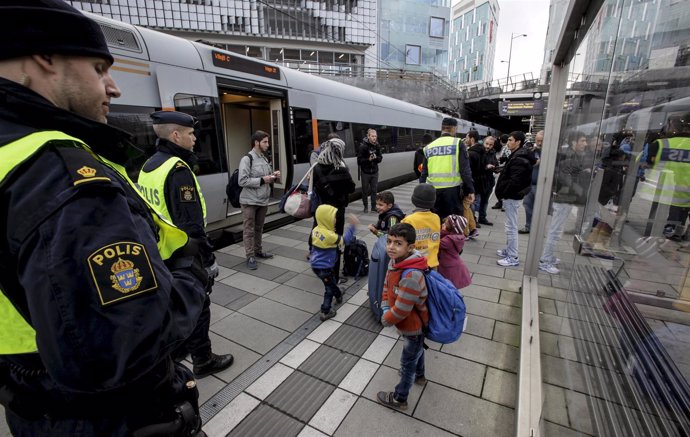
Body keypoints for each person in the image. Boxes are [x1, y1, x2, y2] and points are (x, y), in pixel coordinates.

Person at [0, 1, 207, 435]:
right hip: (112, 418)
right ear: (45, 56)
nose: (113, 88)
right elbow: (124, 347)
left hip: (32, 401)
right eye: (99, 69)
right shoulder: (63, 175)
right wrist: (190, 275)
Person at [138, 110, 234, 377]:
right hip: (184, 253)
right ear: (176, 135)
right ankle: (203, 359)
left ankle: (177, 352)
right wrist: (209, 260)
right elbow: (191, 225)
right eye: (191, 134)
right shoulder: (178, 171)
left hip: (161, 252)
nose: (195, 139)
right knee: (199, 304)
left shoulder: (149, 166)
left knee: (176, 305)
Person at [376, 223, 429, 411]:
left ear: (411, 247)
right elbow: (387, 287)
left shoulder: (411, 275)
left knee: (407, 365)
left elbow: (402, 309)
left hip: (413, 326)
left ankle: (400, 399)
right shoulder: (396, 262)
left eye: (398, 243)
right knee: (415, 351)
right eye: (389, 241)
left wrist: (386, 319)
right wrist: (384, 305)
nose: (391, 247)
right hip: (410, 326)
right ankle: (420, 376)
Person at [539, 132, 593, 274]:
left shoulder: (572, 155)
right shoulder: (568, 157)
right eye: (583, 140)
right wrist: (584, 173)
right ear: (573, 143)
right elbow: (565, 178)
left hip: (567, 197)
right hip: (564, 197)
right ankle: (545, 260)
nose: (585, 144)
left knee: (557, 229)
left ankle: (547, 257)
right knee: (555, 230)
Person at [311, 138, 356, 280]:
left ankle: (320, 265)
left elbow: (314, 188)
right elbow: (351, 188)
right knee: (336, 242)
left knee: (320, 237)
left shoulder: (317, 167)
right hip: (337, 212)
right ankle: (334, 275)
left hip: (321, 211)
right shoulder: (341, 168)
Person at [640, 114, 690, 241]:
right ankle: (679, 233)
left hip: (666, 191)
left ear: (673, 126)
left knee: (671, 215)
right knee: (681, 212)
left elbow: (643, 162)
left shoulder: (662, 144)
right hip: (686, 192)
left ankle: (670, 231)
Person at [239, 130, 280, 270]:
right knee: (249, 230)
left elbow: (265, 177)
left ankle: (258, 251)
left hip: (262, 200)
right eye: (265, 142)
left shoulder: (263, 158)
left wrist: (273, 175)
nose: (268, 144)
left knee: (259, 228)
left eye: (267, 142)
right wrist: (263, 180)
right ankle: (250, 256)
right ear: (256, 143)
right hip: (249, 201)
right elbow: (242, 181)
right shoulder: (247, 159)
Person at [420, 117, 475, 221]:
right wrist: (470, 190)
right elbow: (465, 171)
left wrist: (422, 192)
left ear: (442, 128)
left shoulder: (429, 147)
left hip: (433, 191)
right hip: (452, 191)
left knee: (435, 221)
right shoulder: (458, 143)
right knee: (452, 224)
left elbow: (423, 173)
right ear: (454, 128)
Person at [495, 131, 536, 267]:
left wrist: (504, 193)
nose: (508, 142)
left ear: (518, 142)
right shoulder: (519, 155)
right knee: (510, 226)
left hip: (512, 197)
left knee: (511, 227)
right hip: (513, 196)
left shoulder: (519, 158)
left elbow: (515, 181)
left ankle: (513, 257)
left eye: (511, 140)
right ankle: (509, 251)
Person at [310, 206, 359, 321]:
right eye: (333, 218)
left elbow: (314, 245)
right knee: (329, 288)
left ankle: (338, 294)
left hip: (316, 265)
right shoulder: (330, 236)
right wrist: (352, 226)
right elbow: (345, 240)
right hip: (325, 267)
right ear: (326, 219)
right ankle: (326, 311)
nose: (335, 220)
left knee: (331, 283)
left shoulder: (316, 230)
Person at [402, 183, 441, 269]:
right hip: (432, 262)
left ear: (413, 200)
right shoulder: (436, 218)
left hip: (415, 263)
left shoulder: (408, 220)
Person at [519, 130, 544, 234]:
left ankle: (539, 229)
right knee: (528, 205)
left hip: (542, 185)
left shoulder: (550, 153)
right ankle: (528, 226)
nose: (539, 143)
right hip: (530, 184)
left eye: (542, 141)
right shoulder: (531, 150)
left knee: (540, 209)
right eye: (537, 140)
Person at [438, 215, 472, 289]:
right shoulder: (458, 236)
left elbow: (436, 243)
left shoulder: (449, 240)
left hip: (447, 266)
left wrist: (442, 231)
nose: (443, 224)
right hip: (455, 264)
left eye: (446, 223)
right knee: (452, 286)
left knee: (447, 285)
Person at [471, 135, 498, 226]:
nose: (488, 146)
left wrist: (495, 167)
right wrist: (486, 167)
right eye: (487, 144)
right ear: (483, 142)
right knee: (476, 201)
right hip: (478, 180)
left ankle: (482, 217)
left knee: (485, 200)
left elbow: (495, 163)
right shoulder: (478, 152)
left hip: (488, 181)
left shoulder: (493, 152)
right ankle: (473, 219)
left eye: (491, 145)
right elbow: (475, 167)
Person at [357, 128, 383, 213]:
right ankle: (365, 206)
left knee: (374, 190)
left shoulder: (377, 146)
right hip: (365, 172)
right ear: (368, 136)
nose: (374, 138)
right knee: (365, 190)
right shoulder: (363, 146)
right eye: (372, 136)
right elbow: (359, 161)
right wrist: (368, 159)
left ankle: (373, 206)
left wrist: (375, 158)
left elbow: (380, 158)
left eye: (375, 136)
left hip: (374, 172)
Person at [492, 133, 511, 210]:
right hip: (506, 169)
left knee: (500, 188)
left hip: (506, 170)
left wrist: (500, 160)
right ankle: (501, 203)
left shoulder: (506, 147)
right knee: (502, 187)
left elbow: (503, 158)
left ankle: (502, 203)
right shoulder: (507, 147)